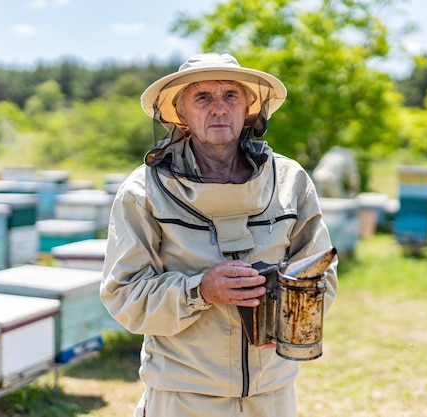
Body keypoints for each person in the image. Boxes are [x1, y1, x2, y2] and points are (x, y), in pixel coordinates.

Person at [100, 52, 338, 417]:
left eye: (231, 96)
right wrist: (200, 290)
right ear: (180, 112)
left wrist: (281, 312)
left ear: (249, 109)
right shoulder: (143, 191)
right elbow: (124, 294)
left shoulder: (291, 182)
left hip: (272, 392)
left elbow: (322, 274)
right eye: (203, 97)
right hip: (183, 394)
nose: (219, 109)